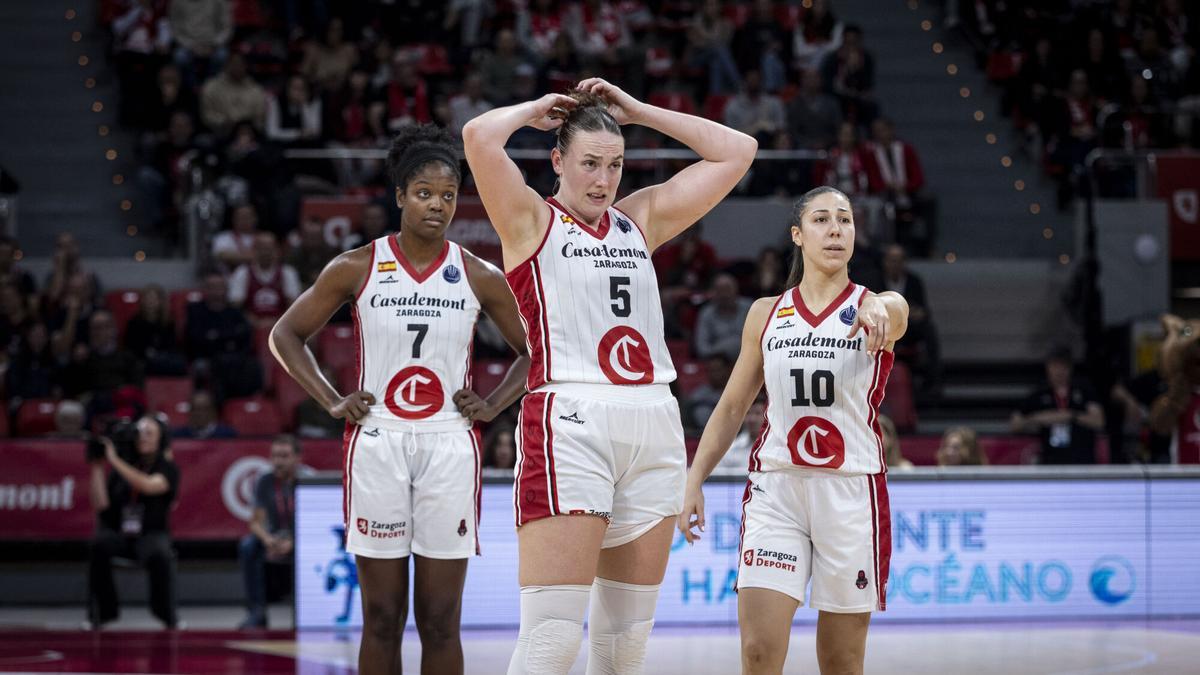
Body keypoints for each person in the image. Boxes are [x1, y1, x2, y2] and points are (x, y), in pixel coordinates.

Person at [462, 78, 756, 673]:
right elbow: (478, 136)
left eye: (615, 165)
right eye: (589, 164)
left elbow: (738, 151)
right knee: (551, 640)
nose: (603, 180)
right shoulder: (530, 221)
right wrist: (534, 109)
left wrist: (641, 112)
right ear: (557, 161)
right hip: (571, 419)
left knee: (624, 647)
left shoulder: (638, 219)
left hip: (654, 420)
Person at [270, 124, 531, 675]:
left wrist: (493, 404)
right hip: (378, 439)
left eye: (448, 195)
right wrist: (331, 399)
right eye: (424, 193)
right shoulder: (356, 266)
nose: (437, 205)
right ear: (399, 196)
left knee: (440, 620)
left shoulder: (478, 274)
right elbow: (285, 334)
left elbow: (537, 352)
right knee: (383, 619)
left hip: (449, 443)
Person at [680, 186, 909, 675]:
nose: (835, 230)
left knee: (841, 661)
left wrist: (882, 304)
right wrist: (693, 478)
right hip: (777, 488)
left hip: (850, 489)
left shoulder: (873, 308)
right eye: (821, 220)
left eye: (845, 220)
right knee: (758, 652)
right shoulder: (766, 313)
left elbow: (897, 307)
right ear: (797, 235)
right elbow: (732, 406)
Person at [87, 416, 181, 629]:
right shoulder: (122, 466)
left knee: (160, 554)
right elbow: (100, 504)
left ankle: (166, 615)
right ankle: (105, 613)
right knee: (98, 545)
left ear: (160, 439)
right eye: (140, 433)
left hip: (151, 533)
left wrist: (114, 460)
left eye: (149, 433)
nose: (143, 437)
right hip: (120, 533)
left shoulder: (167, 467)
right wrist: (97, 467)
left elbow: (148, 485)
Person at [239, 434, 301, 628]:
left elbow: (317, 524)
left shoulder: (308, 479)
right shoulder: (265, 481)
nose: (278, 461)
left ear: (297, 458)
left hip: (302, 539)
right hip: (275, 538)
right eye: (275, 456)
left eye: (284, 456)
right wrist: (268, 540)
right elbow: (255, 523)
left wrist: (294, 542)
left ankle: (305, 613)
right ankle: (257, 611)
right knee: (248, 546)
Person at [1011, 347, 1104, 464]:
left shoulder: (1084, 391)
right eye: (1055, 366)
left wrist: (1071, 416)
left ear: (1070, 368)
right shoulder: (1039, 394)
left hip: (1082, 462)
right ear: (1048, 367)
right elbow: (1016, 424)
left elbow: (1099, 421)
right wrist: (1041, 418)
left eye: (1063, 366)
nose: (1059, 371)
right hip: (1051, 462)